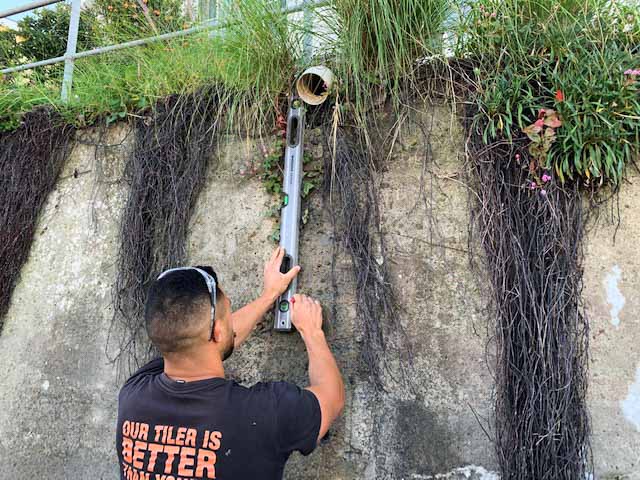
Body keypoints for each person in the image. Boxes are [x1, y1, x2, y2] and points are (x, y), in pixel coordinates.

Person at [115, 247, 345, 480]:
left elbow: (208, 338)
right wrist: (312, 331)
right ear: (217, 332)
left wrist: (269, 296)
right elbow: (331, 398)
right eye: (228, 314)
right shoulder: (264, 413)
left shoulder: (133, 395)